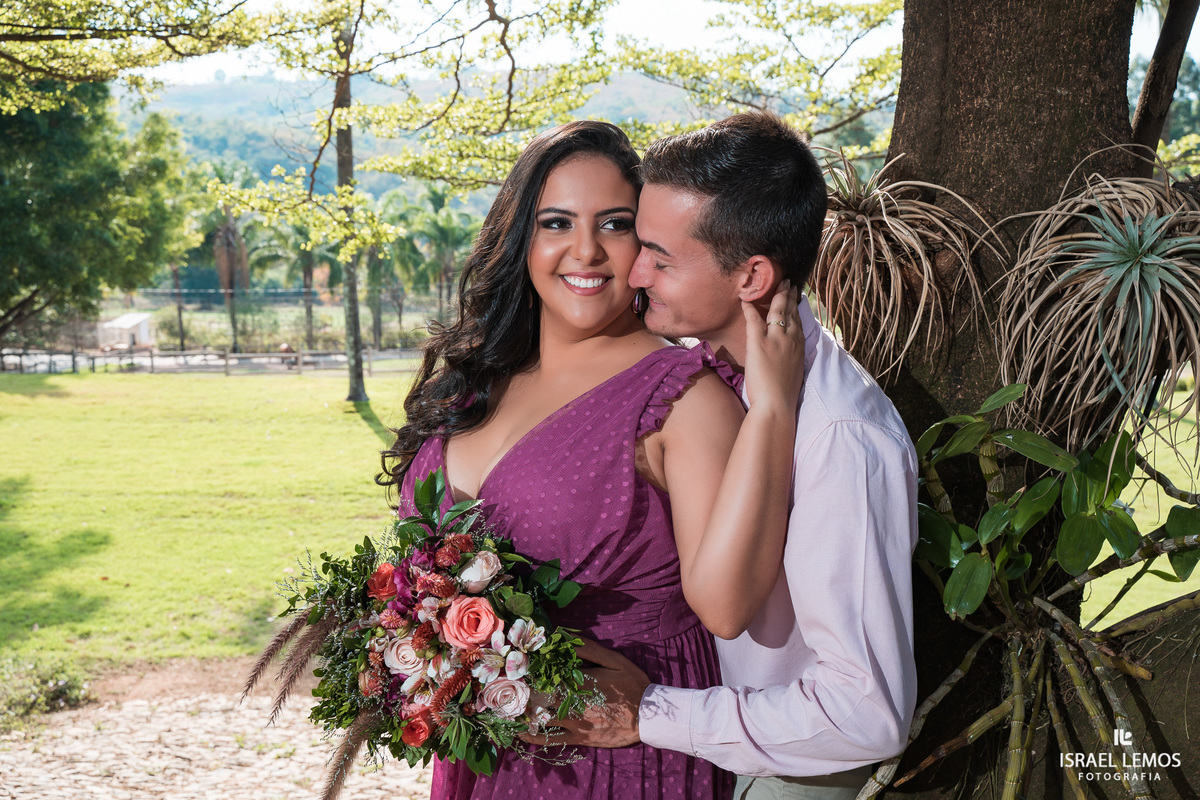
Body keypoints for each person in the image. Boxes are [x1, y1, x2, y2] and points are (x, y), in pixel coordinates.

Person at [379, 119, 805, 800]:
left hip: (614, 754)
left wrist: (775, 409)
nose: (586, 251)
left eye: (614, 225)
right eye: (556, 223)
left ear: (645, 243)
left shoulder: (682, 396)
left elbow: (726, 607)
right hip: (485, 755)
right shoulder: (483, 381)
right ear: (522, 237)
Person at [550, 113, 920, 800]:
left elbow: (867, 714)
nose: (632, 271)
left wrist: (652, 712)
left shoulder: (838, 436)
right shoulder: (699, 378)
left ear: (750, 276)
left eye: (660, 257)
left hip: (781, 777)